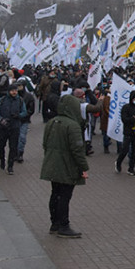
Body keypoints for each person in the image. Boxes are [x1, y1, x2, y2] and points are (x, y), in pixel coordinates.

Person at [40, 94, 90, 238]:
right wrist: (83, 167)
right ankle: (64, 225)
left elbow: (45, 144)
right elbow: (77, 150)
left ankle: (54, 223)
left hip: (52, 164)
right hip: (67, 166)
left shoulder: (52, 122)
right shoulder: (72, 125)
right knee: (65, 196)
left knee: (55, 193)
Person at [0, 84, 27, 174]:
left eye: (15, 90)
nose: (14, 92)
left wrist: (18, 116)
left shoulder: (20, 100)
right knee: (0, 145)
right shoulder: (2, 100)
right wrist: (0, 119)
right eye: (12, 91)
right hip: (3, 127)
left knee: (13, 147)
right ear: (9, 91)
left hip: (15, 126)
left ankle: (10, 166)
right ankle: (2, 160)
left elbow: (24, 112)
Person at [116, 91, 135, 176]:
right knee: (125, 150)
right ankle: (118, 162)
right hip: (128, 131)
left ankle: (131, 168)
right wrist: (134, 118)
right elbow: (124, 120)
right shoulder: (126, 107)